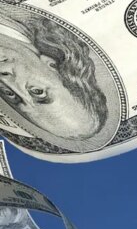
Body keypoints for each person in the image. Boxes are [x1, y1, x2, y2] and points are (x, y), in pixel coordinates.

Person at [0, 7, 108, 142]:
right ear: (53, 65)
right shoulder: (14, 12)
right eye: (38, 91)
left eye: (12, 96)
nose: (6, 81)